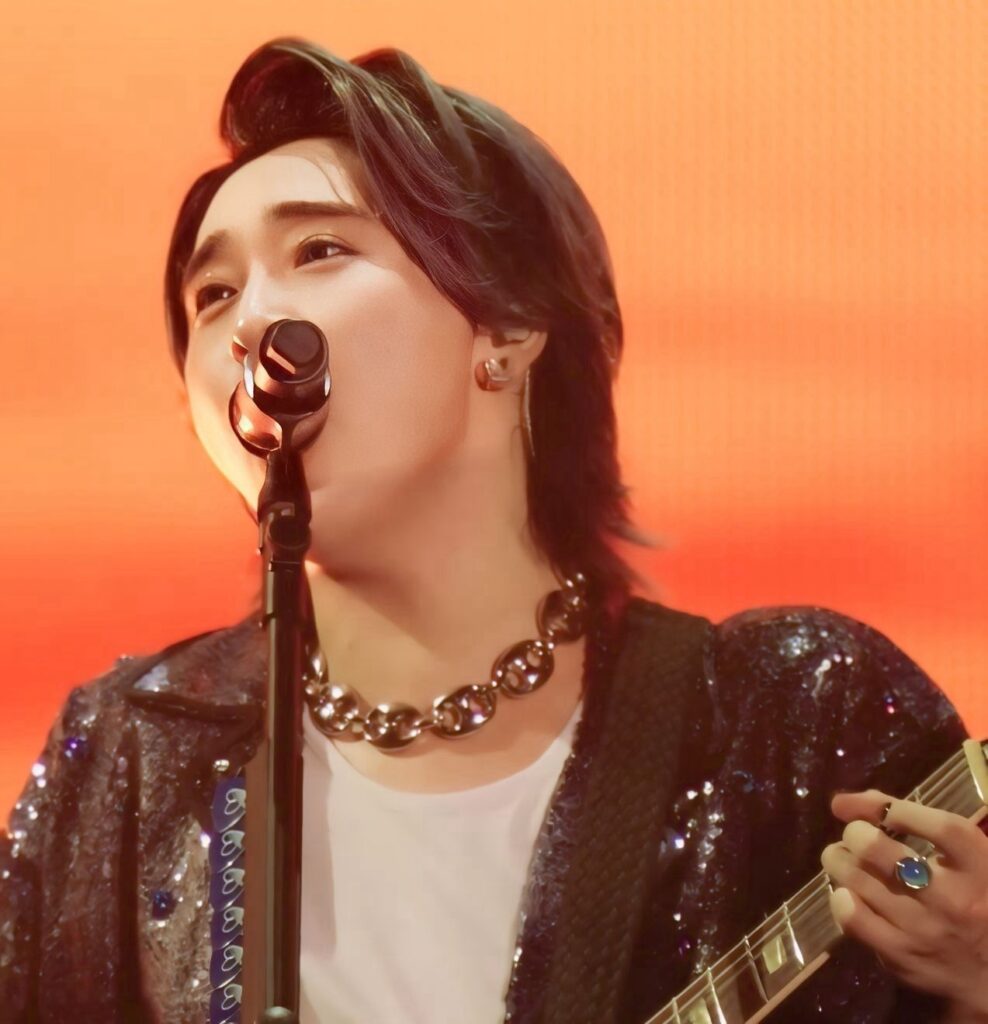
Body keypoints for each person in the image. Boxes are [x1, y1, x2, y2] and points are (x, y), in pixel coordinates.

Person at [1, 36, 986, 1024]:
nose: (251, 320)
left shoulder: (787, 719)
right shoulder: (135, 753)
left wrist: (974, 981)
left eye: (320, 251)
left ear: (505, 328)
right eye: (212, 295)